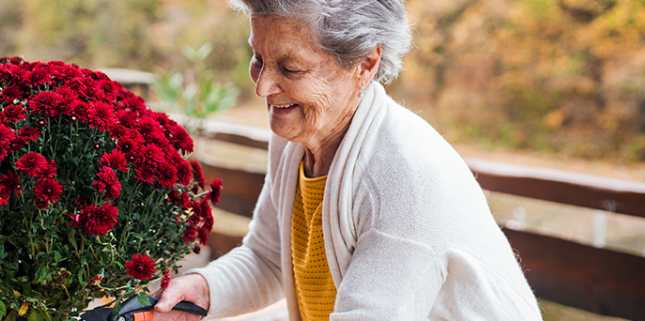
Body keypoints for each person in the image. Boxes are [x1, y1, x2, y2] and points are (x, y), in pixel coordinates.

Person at [152, 0, 543, 320]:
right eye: (258, 58)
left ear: (365, 64)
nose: (263, 87)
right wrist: (203, 291)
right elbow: (269, 259)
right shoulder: (295, 137)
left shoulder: (403, 179)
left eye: (290, 68)